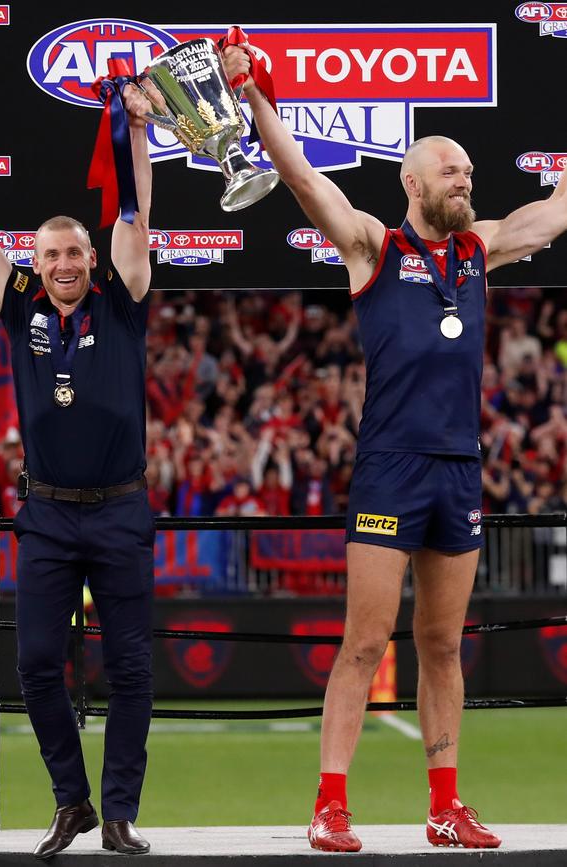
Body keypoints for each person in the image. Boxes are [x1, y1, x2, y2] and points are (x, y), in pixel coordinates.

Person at [223, 44, 567, 853]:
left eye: (470, 174)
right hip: (390, 467)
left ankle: (445, 806)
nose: (466, 182)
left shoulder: (480, 248)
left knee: (444, 644)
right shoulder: (375, 246)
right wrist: (257, 98)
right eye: (452, 172)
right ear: (413, 182)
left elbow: (551, 214)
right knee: (364, 642)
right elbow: (306, 181)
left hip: (459, 470)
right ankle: (330, 806)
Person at [0, 86, 159, 858]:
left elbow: (135, 217)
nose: (61, 264)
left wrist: (140, 136)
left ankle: (119, 810)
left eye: (73, 253)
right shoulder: (19, 303)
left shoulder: (122, 302)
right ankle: (72, 801)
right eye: (49, 253)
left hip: (121, 509)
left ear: (92, 259)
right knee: (32, 662)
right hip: (49, 515)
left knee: (130, 668)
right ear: (36, 260)